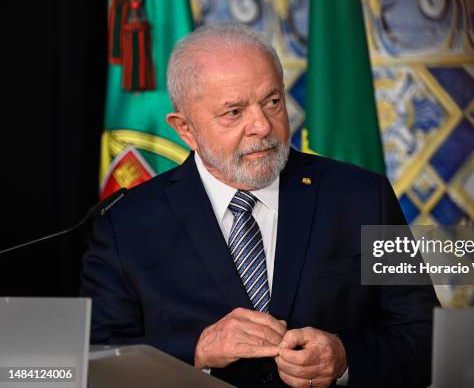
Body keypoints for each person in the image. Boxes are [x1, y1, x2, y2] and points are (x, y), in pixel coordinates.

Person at [80, 22, 437, 388]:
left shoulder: (361, 197)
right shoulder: (125, 225)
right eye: (234, 112)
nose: (262, 126)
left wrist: (346, 357)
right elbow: (96, 358)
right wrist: (197, 349)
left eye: (272, 102)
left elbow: (427, 337)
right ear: (185, 129)